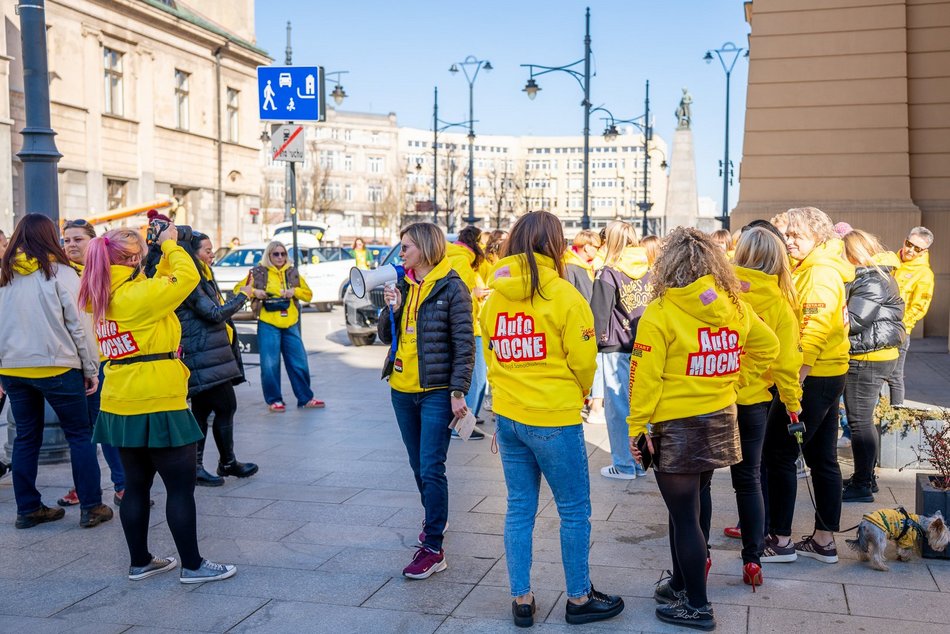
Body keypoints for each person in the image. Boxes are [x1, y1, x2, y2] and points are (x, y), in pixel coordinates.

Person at [628, 227, 778, 630]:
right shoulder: (735, 305)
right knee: (691, 511)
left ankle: (697, 605)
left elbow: (645, 378)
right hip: (719, 417)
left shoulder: (661, 311)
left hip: (677, 426)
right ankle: (681, 584)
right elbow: (770, 347)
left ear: (668, 265)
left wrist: (635, 426)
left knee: (684, 517)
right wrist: (735, 378)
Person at [483, 211, 624, 627]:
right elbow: (584, 361)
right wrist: (578, 392)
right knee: (574, 509)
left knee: (519, 508)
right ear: (555, 244)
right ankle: (579, 599)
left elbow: (492, 355)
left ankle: (521, 598)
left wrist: (505, 403)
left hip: (509, 417)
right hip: (554, 417)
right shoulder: (564, 295)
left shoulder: (494, 298)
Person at [79, 224, 236, 583]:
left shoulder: (103, 292)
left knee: (136, 486)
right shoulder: (136, 295)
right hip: (158, 397)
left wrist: (161, 255)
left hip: (120, 398)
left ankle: (140, 562)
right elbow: (183, 279)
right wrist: (174, 245)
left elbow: (161, 291)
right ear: (133, 258)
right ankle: (193, 566)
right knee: (180, 487)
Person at [0, 214, 111, 529]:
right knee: (80, 435)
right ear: (51, 238)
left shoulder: (4, 275)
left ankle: (28, 509)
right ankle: (91, 506)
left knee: (25, 437)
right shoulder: (61, 273)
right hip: (58, 365)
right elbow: (80, 326)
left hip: (13, 368)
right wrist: (91, 368)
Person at [377, 222, 474, 579]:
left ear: (425, 248)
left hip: (436, 391)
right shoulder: (403, 285)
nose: (401, 254)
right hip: (402, 389)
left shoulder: (452, 287)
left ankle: (433, 547)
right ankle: (436, 517)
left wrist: (457, 391)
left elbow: (465, 345)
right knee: (418, 466)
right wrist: (392, 309)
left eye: (406, 247)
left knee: (432, 467)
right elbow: (386, 336)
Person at [761, 206, 854, 565]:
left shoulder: (819, 274)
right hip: (828, 375)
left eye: (797, 235)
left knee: (780, 455)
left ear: (818, 237)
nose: (789, 240)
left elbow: (813, 331)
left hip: (813, 378)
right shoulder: (816, 269)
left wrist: (793, 383)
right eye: (789, 234)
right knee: (823, 460)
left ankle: (781, 540)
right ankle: (823, 540)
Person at [729, 227, 803, 589]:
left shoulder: (717, 292)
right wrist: (792, 405)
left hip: (714, 397)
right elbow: (787, 364)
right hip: (754, 402)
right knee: (749, 480)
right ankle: (753, 559)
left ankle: (702, 558)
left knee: (703, 482)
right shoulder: (779, 303)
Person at [178, 232, 258, 486]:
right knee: (225, 406)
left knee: (203, 410)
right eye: (207, 250)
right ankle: (221, 463)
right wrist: (244, 295)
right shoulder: (191, 279)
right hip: (203, 355)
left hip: (209, 354)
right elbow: (213, 314)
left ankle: (209, 464)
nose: (212, 255)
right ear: (193, 253)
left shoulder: (202, 275)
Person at [57, 219, 127, 508]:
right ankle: (85, 486)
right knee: (83, 429)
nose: (71, 245)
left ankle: (122, 484)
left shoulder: (105, 271)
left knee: (103, 424)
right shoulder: (61, 274)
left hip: (103, 358)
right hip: (74, 360)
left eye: (78, 239)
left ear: (92, 241)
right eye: (67, 240)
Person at [840, 230, 905, 503]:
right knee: (862, 422)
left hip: (868, 358)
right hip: (874, 354)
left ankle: (863, 484)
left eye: (842, 253)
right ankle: (865, 477)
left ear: (854, 253)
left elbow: (854, 321)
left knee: (860, 423)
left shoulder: (871, 279)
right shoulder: (874, 275)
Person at [590, 221, 651, 480]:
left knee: (617, 410)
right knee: (640, 408)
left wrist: (590, 346)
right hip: (644, 346)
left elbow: (598, 315)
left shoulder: (608, 272)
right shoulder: (649, 270)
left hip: (615, 345)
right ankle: (641, 462)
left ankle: (624, 464)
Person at [242, 241, 324, 412]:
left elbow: (309, 295)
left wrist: (295, 292)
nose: (280, 257)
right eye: (276, 254)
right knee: (270, 364)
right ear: (268, 255)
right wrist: (256, 292)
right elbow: (239, 289)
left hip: (290, 322)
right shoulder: (258, 272)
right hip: (268, 322)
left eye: (283, 254)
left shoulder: (292, 272)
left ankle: (305, 398)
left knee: (299, 362)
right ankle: (274, 400)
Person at [445, 226, 488, 439]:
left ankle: (464, 422)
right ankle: (462, 426)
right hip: (471, 326)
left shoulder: (458, 257)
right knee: (477, 379)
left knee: (474, 378)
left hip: (469, 325)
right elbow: (460, 294)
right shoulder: (461, 259)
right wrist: (476, 293)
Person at [885, 226, 935, 406]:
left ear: (924, 251)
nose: (910, 250)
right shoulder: (890, 261)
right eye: (909, 244)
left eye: (917, 248)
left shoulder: (924, 274)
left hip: (898, 331)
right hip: (878, 327)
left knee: (894, 376)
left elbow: (920, 306)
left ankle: (894, 419)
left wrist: (902, 326)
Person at [564, 230, 605, 424]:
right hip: (578, 324)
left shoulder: (586, 266)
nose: (597, 251)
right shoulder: (570, 266)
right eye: (596, 247)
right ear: (586, 246)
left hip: (585, 321)